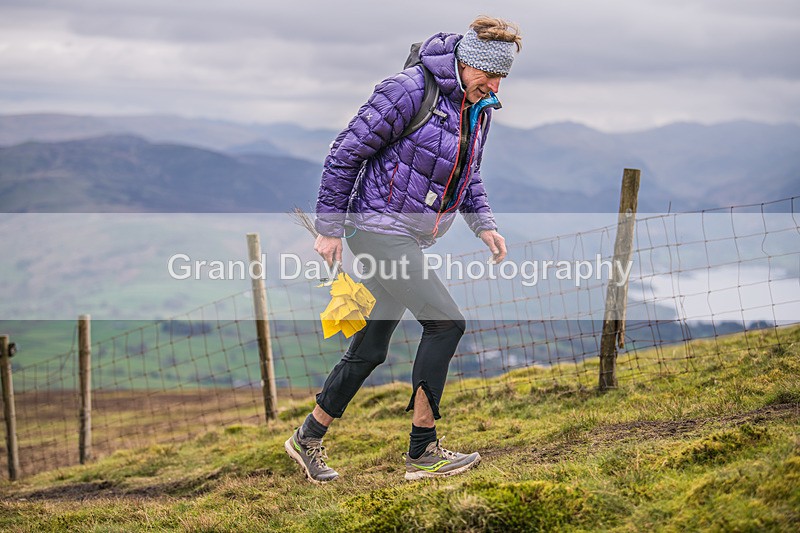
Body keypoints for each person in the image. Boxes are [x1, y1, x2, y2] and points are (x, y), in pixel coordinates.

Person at [285, 15, 522, 483]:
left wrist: (484, 225)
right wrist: (329, 228)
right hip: (374, 227)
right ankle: (423, 451)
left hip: (407, 234)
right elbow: (345, 153)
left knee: (372, 345)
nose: (494, 87)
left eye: (502, 78)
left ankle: (308, 437)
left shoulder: (479, 108)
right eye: (488, 75)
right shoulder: (408, 89)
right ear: (464, 61)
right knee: (446, 323)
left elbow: (466, 173)